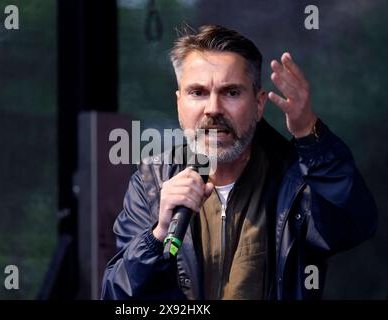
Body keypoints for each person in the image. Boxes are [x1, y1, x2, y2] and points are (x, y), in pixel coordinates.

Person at [101, 25, 378, 300]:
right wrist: (158, 234)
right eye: (197, 92)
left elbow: (354, 225)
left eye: (231, 92)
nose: (213, 109)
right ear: (179, 103)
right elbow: (117, 295)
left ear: (259, 104)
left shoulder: (295, 178)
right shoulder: (153, 181)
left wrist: (309, 133)